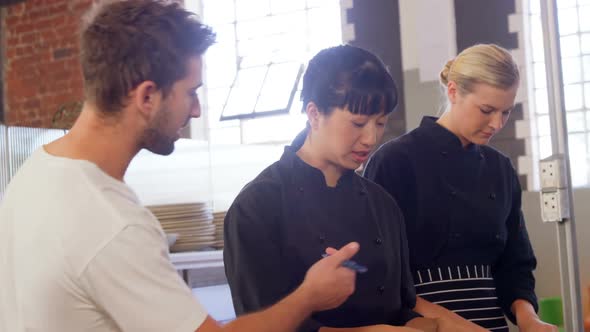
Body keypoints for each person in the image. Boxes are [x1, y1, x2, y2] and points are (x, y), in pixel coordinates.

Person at [0, 1, 361, 331]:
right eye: (190, 92)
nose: (196, 111)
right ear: (146, 96)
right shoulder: (112, 222)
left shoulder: (36, 172)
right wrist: (310, 295)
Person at [223, 45, 446, 332]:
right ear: (314, 114)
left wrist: (432, 326)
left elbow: (399, 307)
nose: (370, 138)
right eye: (357, 123)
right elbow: (262, 325)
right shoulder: (257, 207)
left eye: (380, 123)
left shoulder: (383, 205)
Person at [364, 44, 557, 332]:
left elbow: (515, 264)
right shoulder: (394, 161)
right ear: (453, 92)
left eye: (506, 112)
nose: (497, 123)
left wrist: (530, 320)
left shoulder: (499, 169)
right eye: (487, 110)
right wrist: (448, 325)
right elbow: (382, 274)